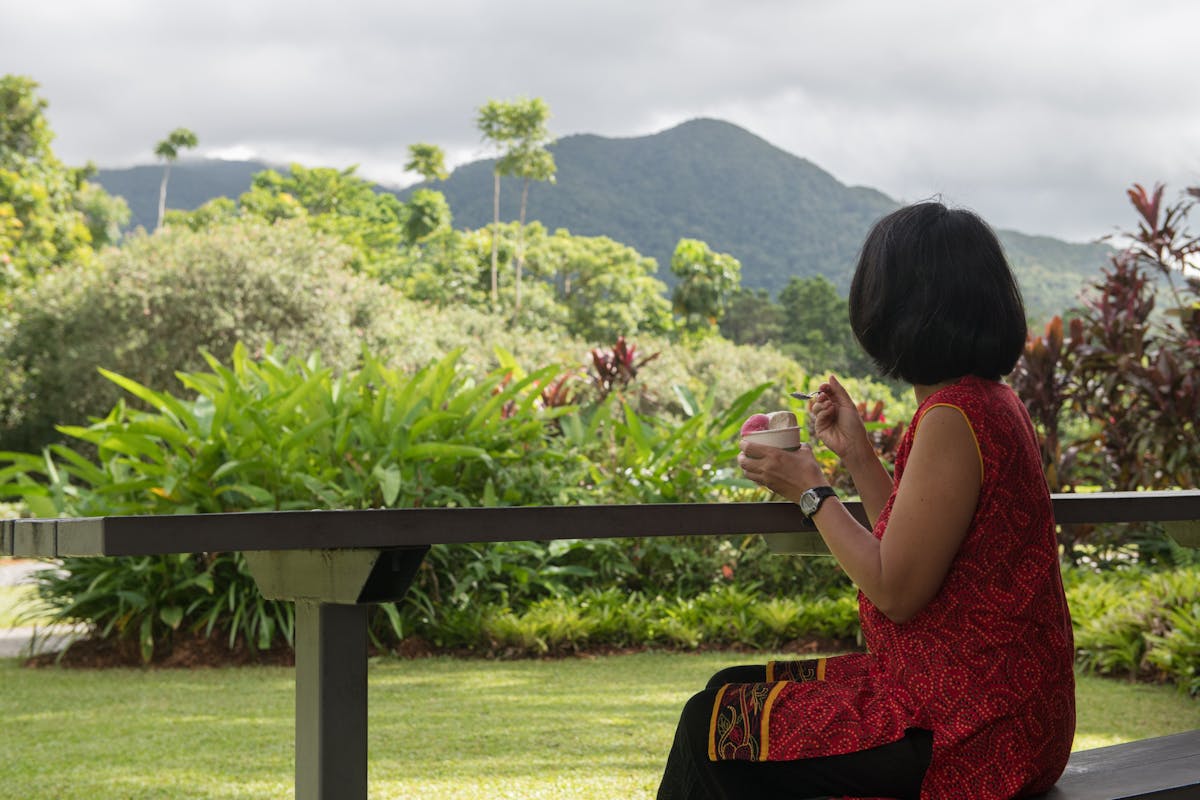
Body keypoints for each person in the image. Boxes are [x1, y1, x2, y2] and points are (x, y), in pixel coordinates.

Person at [656, 201, 1076, 800]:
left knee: (713, 725)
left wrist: (810, 490)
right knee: (729, 691)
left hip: (968, 729)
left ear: (896, 307)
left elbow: (897, 590)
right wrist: (855, 455)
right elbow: (911, 543)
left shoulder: (954, 417)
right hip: (998, 705)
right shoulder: (984, 401)